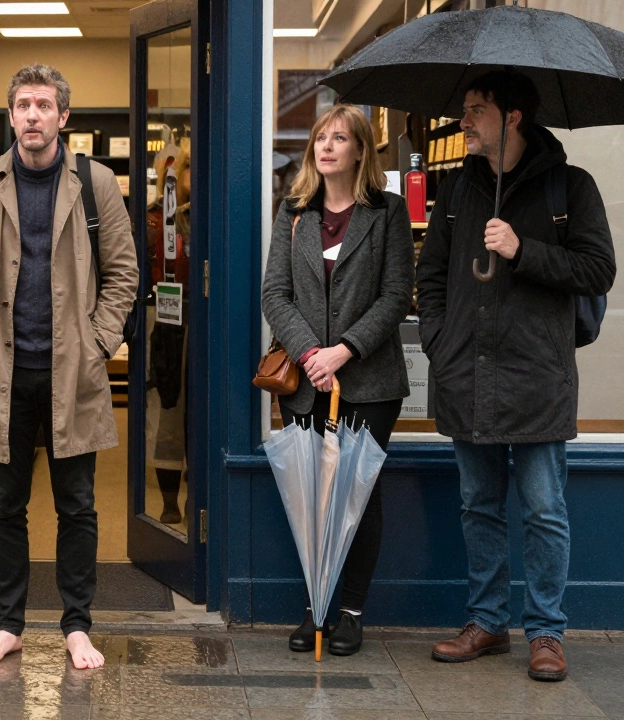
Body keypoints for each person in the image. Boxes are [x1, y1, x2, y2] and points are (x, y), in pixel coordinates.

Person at [418, 72, 616, 682]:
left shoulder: (570, 186)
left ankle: (547, 632)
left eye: (477, 110)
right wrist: (439, 343)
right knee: (479, 505)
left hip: (537, 376)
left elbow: (598, 269)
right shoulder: (455, 191)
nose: (465, 121)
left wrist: (521, 249)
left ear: (513, 118)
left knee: (543, 509)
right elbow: (428, 279)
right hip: (467, 372)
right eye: (466, 109)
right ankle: (486, 622)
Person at [0, 64, 139, 670]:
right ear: (10, 116)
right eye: (22, 104)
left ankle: (77, 625)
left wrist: (97, 343)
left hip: (72, 374)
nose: (32, 115)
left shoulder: (97, 183)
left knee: (77, 504)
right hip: (2, 374)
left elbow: (124, 274)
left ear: (63, 118)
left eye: (43, 105)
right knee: (5, 507)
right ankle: (9, 625)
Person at [260, 103, 414, 657]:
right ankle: (315, 608)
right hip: (305, 382)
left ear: (360, 150)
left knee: (357, 496)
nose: (326, 146)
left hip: (369, 382)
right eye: (320, 137)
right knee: (312, 498)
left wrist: (342, 352)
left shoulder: (388, 212)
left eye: (340, 137)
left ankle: (349, 612)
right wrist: (309, 353)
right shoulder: (294, 211)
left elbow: (397, 295)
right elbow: (273, 293)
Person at [145, 141, 191, 525]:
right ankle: (169, 499)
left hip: (203, 321)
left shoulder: (210, 216)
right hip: (164, 323)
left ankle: (199, 492)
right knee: (167, 413)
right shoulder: (153, 220)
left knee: (201, 411)